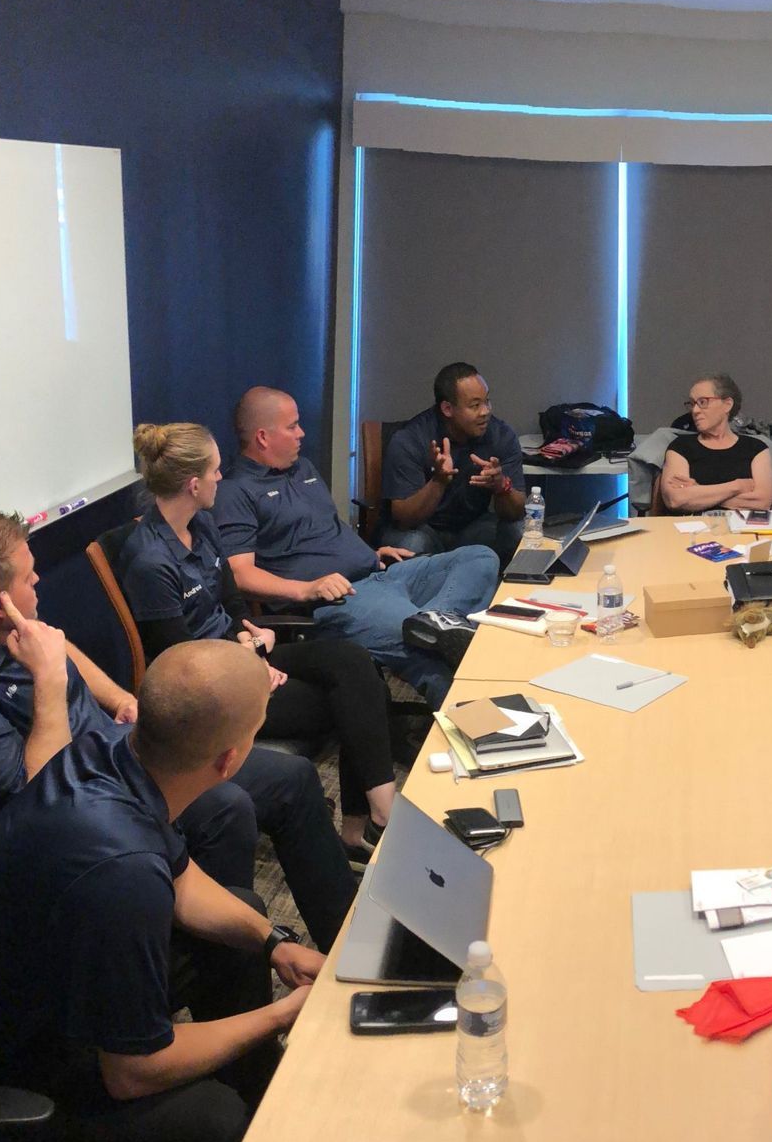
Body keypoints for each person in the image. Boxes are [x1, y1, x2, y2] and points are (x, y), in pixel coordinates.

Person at [0, 641, 322, 1142]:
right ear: (230, 760)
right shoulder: (122, 871)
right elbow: (133, 1074)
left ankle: (265, 1120)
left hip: (24, 999)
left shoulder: (109, 753)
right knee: (208, 1121)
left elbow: (184, 880)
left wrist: (274, 942)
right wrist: (282, 1016)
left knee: (240, 921)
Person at [0, 512, 356, 951]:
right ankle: (199, 948)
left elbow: (61, 647)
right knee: (226, 806)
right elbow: (40, 798)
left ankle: (346, 943)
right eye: (28, 576)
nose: (38, 580)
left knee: (294, 778)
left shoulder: (9, 628)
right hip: (91, 807)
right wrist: (49, 679)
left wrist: (120, 699)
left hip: (127, 752)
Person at [121, 422, 400, 856]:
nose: (221, 477)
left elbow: (230, 599)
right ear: (193, 485)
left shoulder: (201, 523)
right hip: (209, 691)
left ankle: (372, 817)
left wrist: (245, 632)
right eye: (214, 471)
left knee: (352, 661)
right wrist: (249, 664)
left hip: (241, 654)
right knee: (358, 699)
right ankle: (371, 821)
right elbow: (179, 659)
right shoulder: (150, 562)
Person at [215, 386, 500, 708]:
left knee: (480, 557)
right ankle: (480, 722)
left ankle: (435, 620)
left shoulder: (303, 469)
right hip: (342, 599)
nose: (301, 433)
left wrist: (369, 553)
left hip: (382, 573)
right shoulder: (235, 491)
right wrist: (306, 589)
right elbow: (239, 574)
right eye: (292, 426)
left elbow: (326, 530)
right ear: (263, 437)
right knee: (430, 653)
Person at [381, 362, 526, 567]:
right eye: (475, 405)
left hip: (473, 528)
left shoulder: (501, 435)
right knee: (411, 544)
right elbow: (404, 519)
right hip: (424, 529)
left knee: (518, 531)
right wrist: (438, 481)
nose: (485, 412)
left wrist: (501, 486)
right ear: (447, 408)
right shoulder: (410, 439)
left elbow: (516, 512)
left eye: (487, 402)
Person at [659, 373, 772, 514]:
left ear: (727, 404)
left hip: (744, 527)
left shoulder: (756, 448)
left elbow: (762, 502)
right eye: (692, 404)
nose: (695, 410)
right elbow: (676, 499)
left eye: (703, 402)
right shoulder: (680, 447)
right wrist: (738, 486)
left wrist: (698, 490)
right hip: (693, 527)